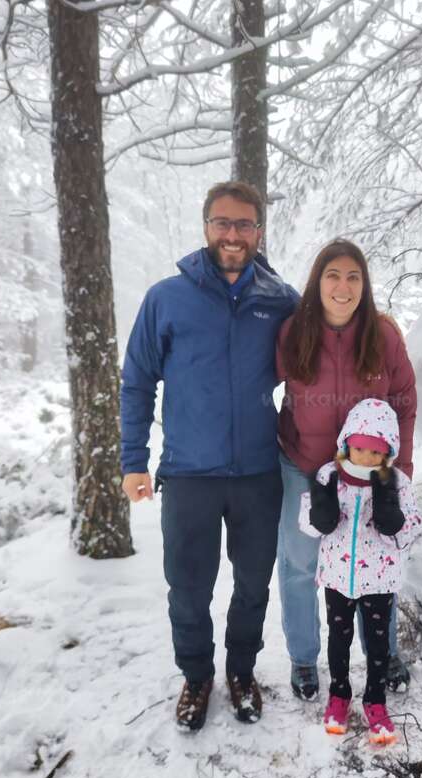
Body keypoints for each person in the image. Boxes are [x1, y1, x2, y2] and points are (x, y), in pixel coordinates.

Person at [120, 181, 298, 732]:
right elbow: (137, 381)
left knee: (251, 585)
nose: (233, 234)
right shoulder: (166, 299)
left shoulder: (281, 301)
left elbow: (319, 370)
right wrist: (133, 460)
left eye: (244, 224)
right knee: (189, 586)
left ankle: (241, 672)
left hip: (257, 474)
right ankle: (197, 676)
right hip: (189, 474)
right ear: (205, 226)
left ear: (258, 232)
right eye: (223, 222)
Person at [276, 239, 417, 701]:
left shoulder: (384, 336)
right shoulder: (293, 333)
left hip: (370, 473)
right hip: (303, 465)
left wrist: (399, 477)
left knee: (377, 561)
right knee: (300, 564)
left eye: (353, 277)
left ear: (365, 285)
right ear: (317, 282)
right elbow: (259, 388)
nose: (343, 286)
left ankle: (386, 653)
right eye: (332, 275)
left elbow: (405, 404)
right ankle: (303, 659)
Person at [299, 398, 422, 743]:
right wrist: (318, 515)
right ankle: (339, 695)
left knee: (379, 643)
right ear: (346, 443)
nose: (365, 458)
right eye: (359, 449)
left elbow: (412, 528)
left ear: (387, 453)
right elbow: (306, 523)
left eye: (375, 452)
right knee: (339, 640)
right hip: (338, 578)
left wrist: (394, 523)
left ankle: (375, 700)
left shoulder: (396, 482)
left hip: (379, 581)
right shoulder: (329, 476)